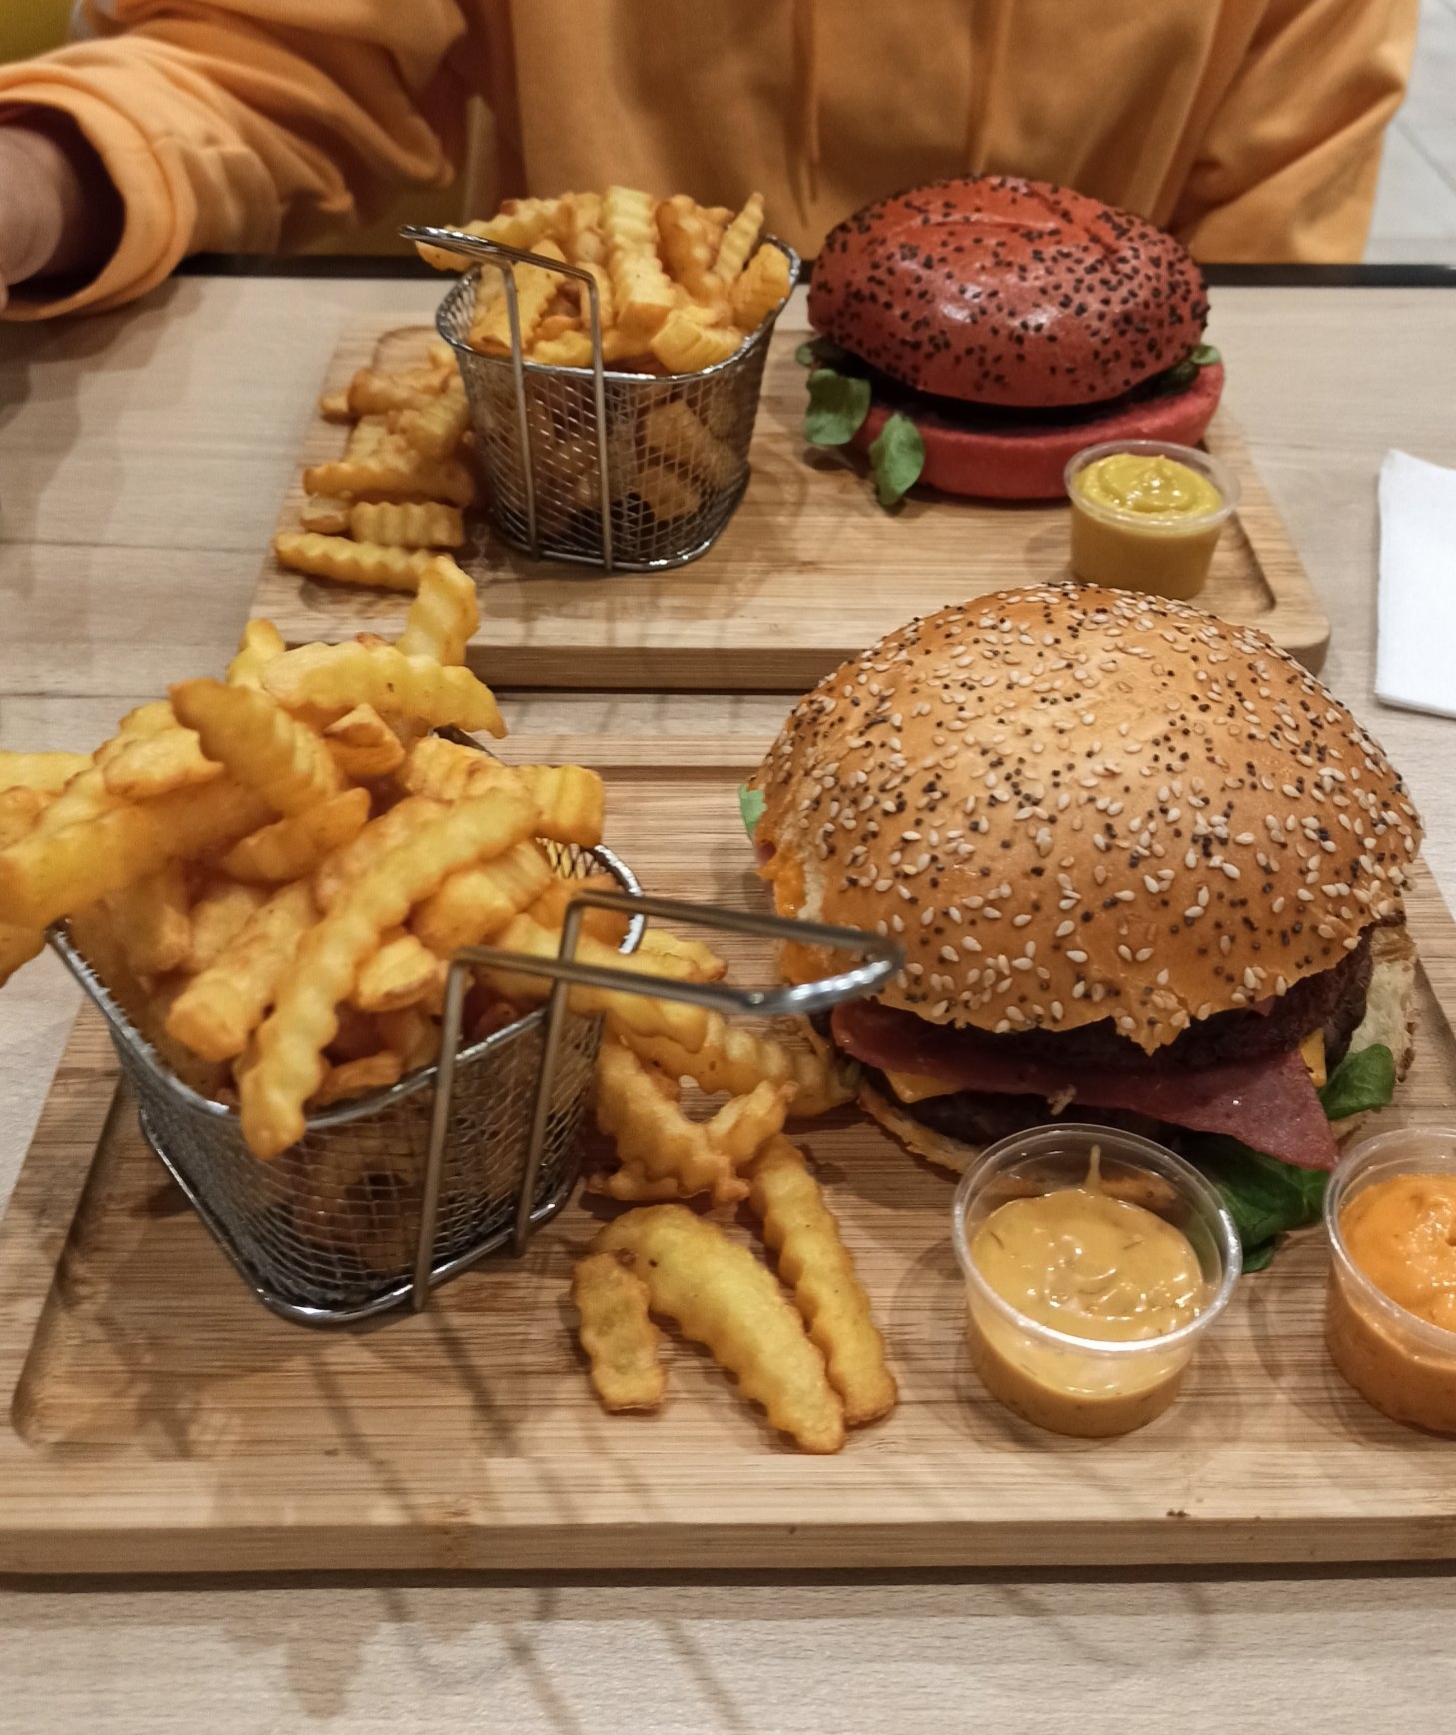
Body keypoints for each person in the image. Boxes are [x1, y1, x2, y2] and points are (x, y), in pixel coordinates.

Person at [0, 0, 1420, 320]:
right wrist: (47, 172)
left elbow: (1272, 283)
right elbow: (267, 63)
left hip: (1073, 530)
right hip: (576, 474)